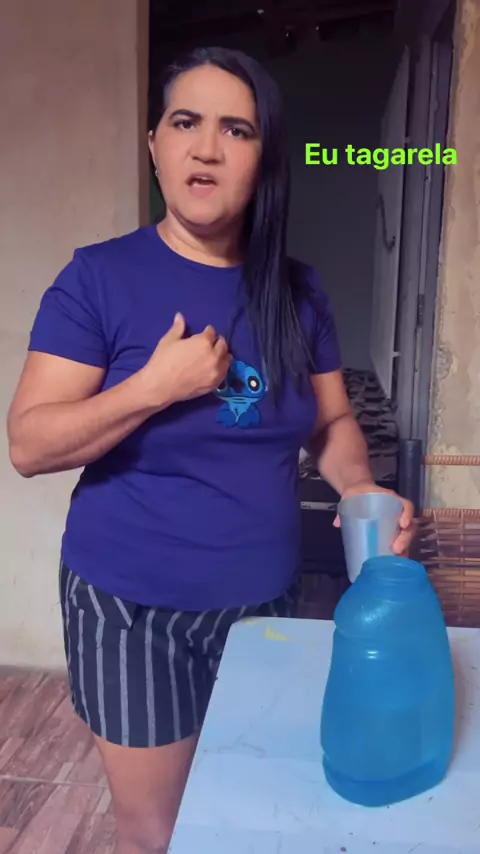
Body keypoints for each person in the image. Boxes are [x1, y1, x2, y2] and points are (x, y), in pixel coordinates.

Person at [7, 46, 415, 854]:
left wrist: (360, 485)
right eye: (185, 122)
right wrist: (153, 387)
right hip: (132, 610)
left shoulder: (298, 292)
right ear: (154, 144)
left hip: (265, 603)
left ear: (265, 159)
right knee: (157, 832)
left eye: (237, 130)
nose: (206, 148)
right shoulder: (98, 279)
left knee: (249, 804)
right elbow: (29, 443)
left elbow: (331, 423)